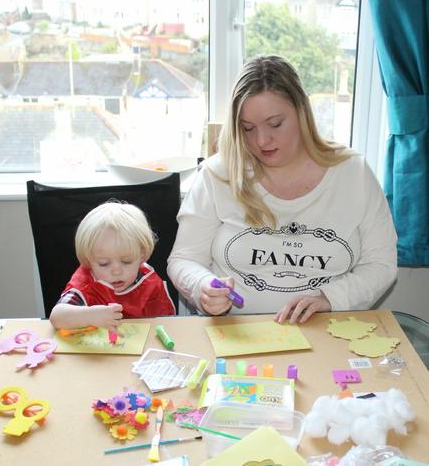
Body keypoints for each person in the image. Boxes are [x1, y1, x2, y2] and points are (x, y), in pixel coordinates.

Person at [167, 54, 397, 323]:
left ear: (302, 112)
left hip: (327, 333)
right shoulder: (218, 175)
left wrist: (330, 298)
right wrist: (202, 286)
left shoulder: (353, 173)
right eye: (248, 128)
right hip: (235, 333)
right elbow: (183, 259)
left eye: (275, 124)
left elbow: (381, 265)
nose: (262, 140)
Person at [49, 201, 175, 330]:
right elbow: (56, 317)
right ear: (89, 260)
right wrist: (89, 316)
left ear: (141, 256)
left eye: (126, 261)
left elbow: (167, 324)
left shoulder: (148, 281)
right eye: (104, 263)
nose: (116, 271)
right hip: (96, 349)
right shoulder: (86, 283)